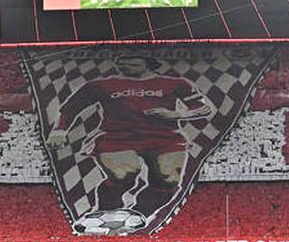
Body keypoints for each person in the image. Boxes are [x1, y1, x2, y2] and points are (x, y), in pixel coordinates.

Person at [45, 55, 213, 231]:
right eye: (120, 60)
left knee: (168, 181)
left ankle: (136, 216)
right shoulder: (100, 85)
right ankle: (105, 213)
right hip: (117, 137)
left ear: (149, 62)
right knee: (124, 175)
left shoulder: (175, 84)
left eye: (131, 59)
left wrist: (177, 114)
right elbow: (70, 108)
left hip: (165, 137)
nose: (123, 63)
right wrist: (59, 130)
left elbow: (204, 107)